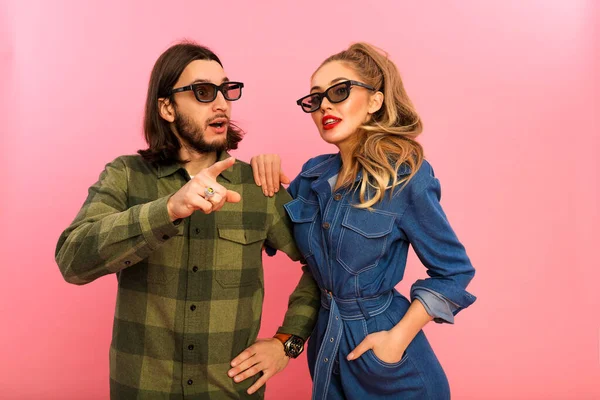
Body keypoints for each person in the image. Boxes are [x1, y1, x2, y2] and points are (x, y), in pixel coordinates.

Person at [55, 41, 320, 399]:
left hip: (229, 391)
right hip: (142, 389)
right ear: (166, 107)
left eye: (226, 90)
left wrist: (287, 342)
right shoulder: (126, 176)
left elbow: (327, 267)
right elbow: (73, 261)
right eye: (203, 92)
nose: (222, 103)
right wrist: (166, 210)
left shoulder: (256, 187)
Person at [246, 43, 477, 399]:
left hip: (390, 364)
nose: (324, 105)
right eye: (314, 99)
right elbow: (278, 238)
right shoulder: (311, 176)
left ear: (375, 100)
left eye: (339, 91)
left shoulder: (406, 178)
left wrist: (396, 340)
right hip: (326, 348)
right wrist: (262, 174)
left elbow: (454, 271)